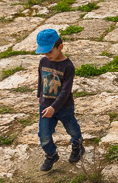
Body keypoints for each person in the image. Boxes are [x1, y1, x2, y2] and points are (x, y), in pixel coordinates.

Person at [34, 28, 84, 172]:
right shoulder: (43, 62)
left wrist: (54, 107)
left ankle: (78, 146)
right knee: (43, 134)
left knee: (72, 129)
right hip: (45, 106)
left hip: (64, 107)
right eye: (44, 52)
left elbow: (65, 91)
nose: (46, 55)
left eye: (49, 51)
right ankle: (51, 154)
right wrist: (41, 99)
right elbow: (41, 82)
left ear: (60, 47)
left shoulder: (68, 66)